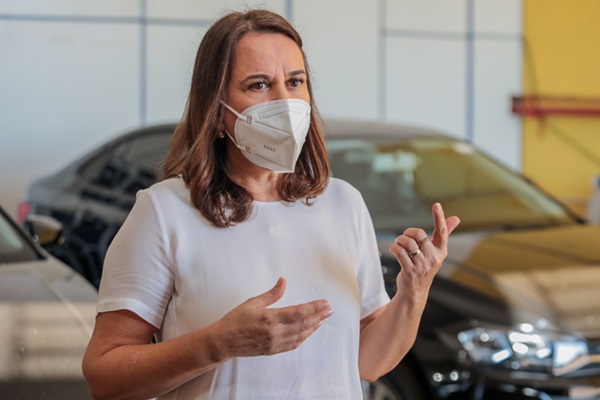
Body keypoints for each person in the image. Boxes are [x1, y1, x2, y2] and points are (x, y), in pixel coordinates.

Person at [82, 8, 460, 400]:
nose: (284, 101)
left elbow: (368, 362)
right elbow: (105, 379)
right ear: (216, 110)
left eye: (295, 82)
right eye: (259, 85)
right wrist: (220, 344)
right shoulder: (164, 212)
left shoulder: (344, 203)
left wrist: (414, 290)